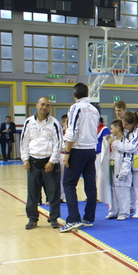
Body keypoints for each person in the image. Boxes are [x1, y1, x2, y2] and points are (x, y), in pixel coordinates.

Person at [61, 83, 100, 232]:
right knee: (90, 185)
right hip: (91, 150)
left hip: (77, 150)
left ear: (74, 95)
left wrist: (67, 152)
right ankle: (89, 218)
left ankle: (74, 219)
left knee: (68, 184)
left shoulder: (75, 108)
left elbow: (72, 130)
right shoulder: (94, 110)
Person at [20, 97, 63, 230]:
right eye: (43, 104)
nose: (45, 107)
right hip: (33, 162)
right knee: (32, 193)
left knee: (53, 192)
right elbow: (24, 141)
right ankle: (32, 219)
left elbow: (58, 143)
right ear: (37, 105)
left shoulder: (54, 123)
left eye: (48, 105)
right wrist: (25, 159)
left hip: (49, 163)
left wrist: (52, 161)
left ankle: (54, 218)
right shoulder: (29, 122)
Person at [109, 111, 138, 218]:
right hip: (131, 161)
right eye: (123, 123)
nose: (124, 126)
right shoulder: (127, 131)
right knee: (130, 187)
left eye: (126, 124)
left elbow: (130, 148)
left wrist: (115, 143)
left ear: (133, 123)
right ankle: (131, 207)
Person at [105, 119, 133, 221]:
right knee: (114, 191)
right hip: (114, 167)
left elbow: (128, 158)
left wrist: (123, 172)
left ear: (117, 128)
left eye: (112, 128)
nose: (111, 131)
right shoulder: (114, 141)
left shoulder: (126, 142)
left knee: (123, 192)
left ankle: (124, 212)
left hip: (122, 169)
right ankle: (114, 211)